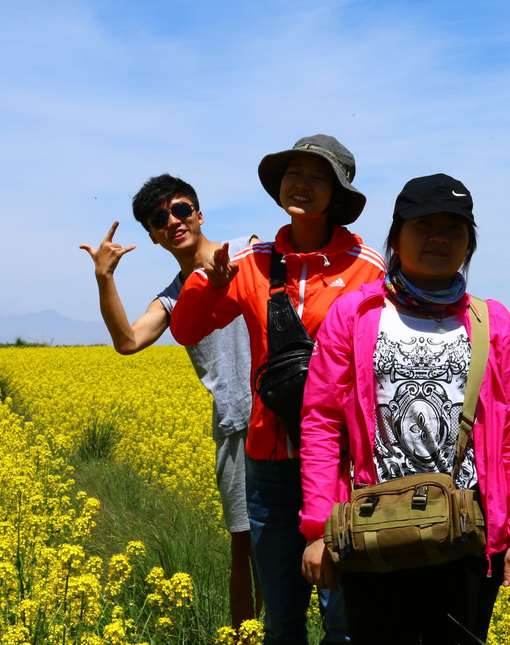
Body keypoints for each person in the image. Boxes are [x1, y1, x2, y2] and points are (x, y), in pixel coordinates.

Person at [298, 173, 510, 645]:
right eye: (423, 224)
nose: (438, 236)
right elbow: (322, 426)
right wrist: (317, 529)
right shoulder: (353, 314)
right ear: (395, 237)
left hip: (468, 535)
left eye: (454, 228)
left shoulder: (493, 322)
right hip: (376, 528)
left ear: (470, 244)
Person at [170, 135, 385, 645]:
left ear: (337, 194)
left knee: (344, 619)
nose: (301, 184)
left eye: (317, 176)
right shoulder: (250, 261)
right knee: (282, 619)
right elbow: (186, 328)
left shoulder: (368, 266)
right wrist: (211, 284)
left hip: (341, 463)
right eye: (294, 174)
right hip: (269, 463)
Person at [79, 174, 260, 631]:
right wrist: (104, 278)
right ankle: (247, 640)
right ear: (154, 237)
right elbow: (127, 340)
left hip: (293, 418)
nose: (173, 221)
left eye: (180, 210)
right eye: (160, 219)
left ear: (198, 213)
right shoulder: (173, 298)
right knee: (245, 552)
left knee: (322, 539)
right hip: (236, 427)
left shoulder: (249, 250)